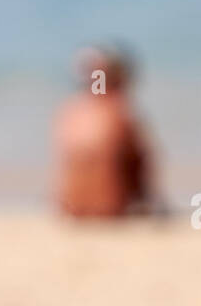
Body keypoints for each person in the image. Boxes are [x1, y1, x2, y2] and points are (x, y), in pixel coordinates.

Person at [53, 45, 158, 218]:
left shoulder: (69, 112)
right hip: (112, 209)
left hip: (70, 209)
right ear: (120, 77)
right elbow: (140, 169)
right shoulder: (120, 112)